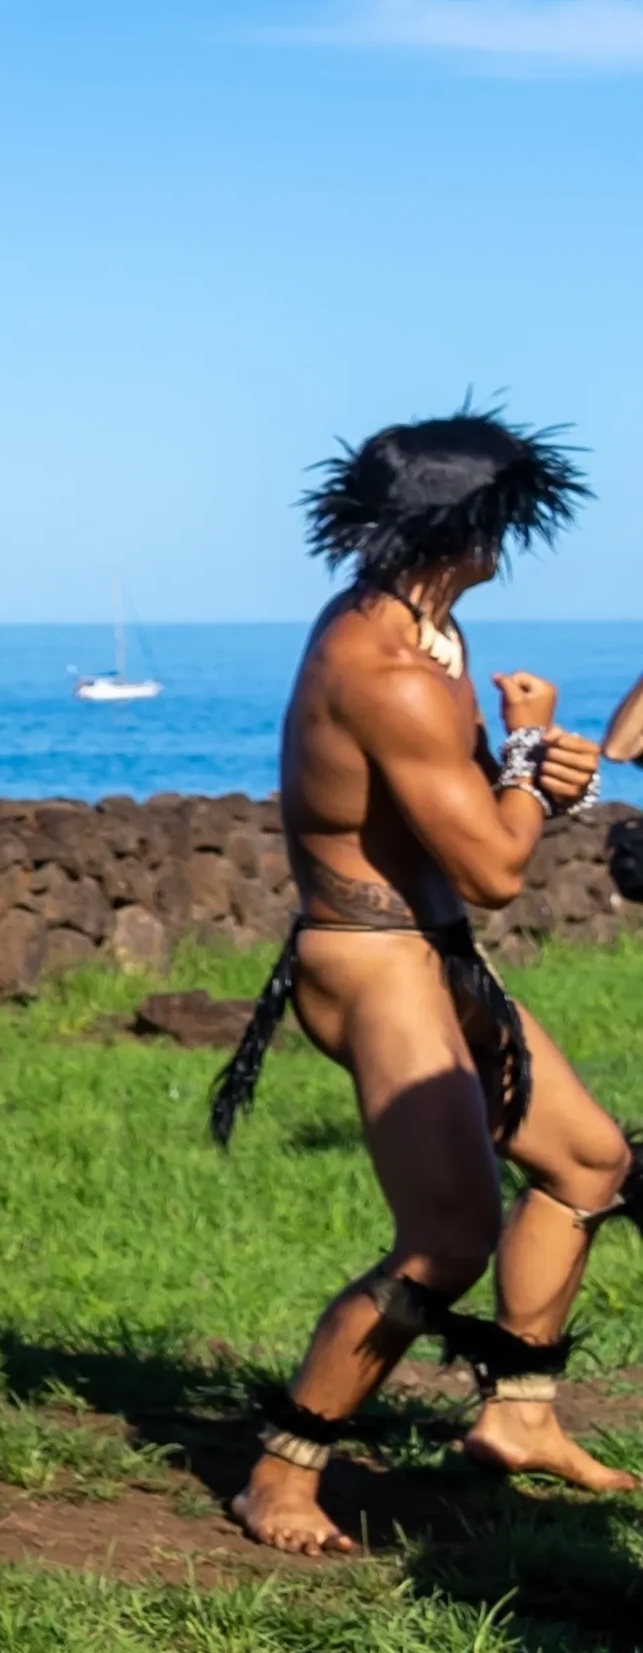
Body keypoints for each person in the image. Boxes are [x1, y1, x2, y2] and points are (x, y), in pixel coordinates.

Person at [214, 412, 632, 1556]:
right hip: (373, 962)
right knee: (447, 1238)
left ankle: (516, 1416)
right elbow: (495, 868)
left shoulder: (422, 623)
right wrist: (540, 774)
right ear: (468, 528)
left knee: (589, 1160)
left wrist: (521, 748)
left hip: (433, 954)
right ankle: (282, 1473)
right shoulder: (386, 669)